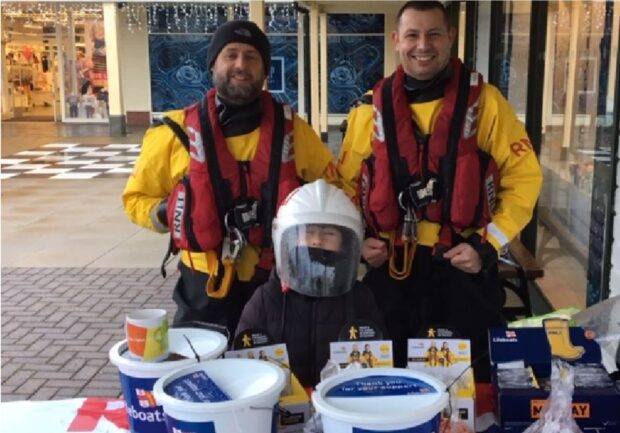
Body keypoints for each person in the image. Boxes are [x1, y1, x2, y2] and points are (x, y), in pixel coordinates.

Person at [337, 1, 542, 381]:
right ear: (396, 40)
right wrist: (360, 240)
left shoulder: (488, 105)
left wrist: (486, 245)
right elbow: (346, 186)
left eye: (433, 34)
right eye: (412, 35)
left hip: (463, 267)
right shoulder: (369, 109)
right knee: (387, 378)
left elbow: (524, 178)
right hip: (392, 271)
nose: (423, 45)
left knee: (470, 383)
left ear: (451, 36)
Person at [123, 21, 338, 337]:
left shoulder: (295, 133)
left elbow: (334, 188)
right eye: (231, 55)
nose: (241, 65)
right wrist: (169, 212)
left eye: (252, 57)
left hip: (275, 282)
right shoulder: (172, 134)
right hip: (204, 287)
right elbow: (135, 199)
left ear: (265, 70)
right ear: (213, 65)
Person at [235, 180, 385, 387]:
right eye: (307, 232)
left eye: (329, 233)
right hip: (281, 410)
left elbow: (380, 362)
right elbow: (241, 366)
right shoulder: (266, 299)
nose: (316, 241)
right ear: (285, 240)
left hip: (343, 408)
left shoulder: (360, 299)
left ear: (347, 242)